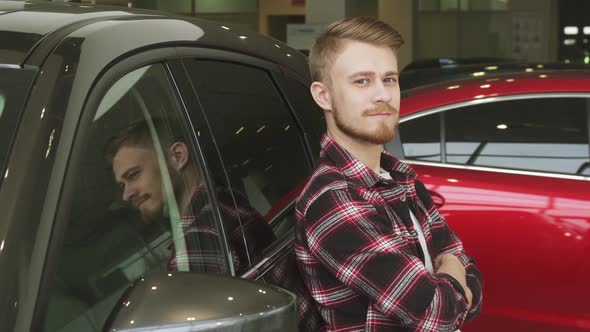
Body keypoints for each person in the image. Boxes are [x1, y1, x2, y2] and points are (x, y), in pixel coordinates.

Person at [295, 17, 483, 331]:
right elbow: (438, 314)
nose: (382, 94)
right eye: (361, 81)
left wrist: (452, 271)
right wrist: (451, 269)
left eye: (389, 79)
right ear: (323, 96)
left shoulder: (399, 177)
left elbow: (470, 272)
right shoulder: (334, 201)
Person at [104, 119, 275, 274]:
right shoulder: (225, 200)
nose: (126, 194)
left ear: (177, 157)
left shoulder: (196, 245)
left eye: (133, 174)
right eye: (122, 185)